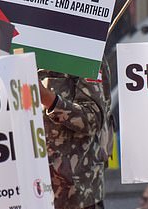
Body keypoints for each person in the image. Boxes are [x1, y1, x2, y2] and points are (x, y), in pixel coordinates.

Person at [38, 59, 112, 209]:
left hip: (75, 196)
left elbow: (94, 119)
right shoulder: (7, 45)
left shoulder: (82, 47)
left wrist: (49, 99)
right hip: (27, 192)